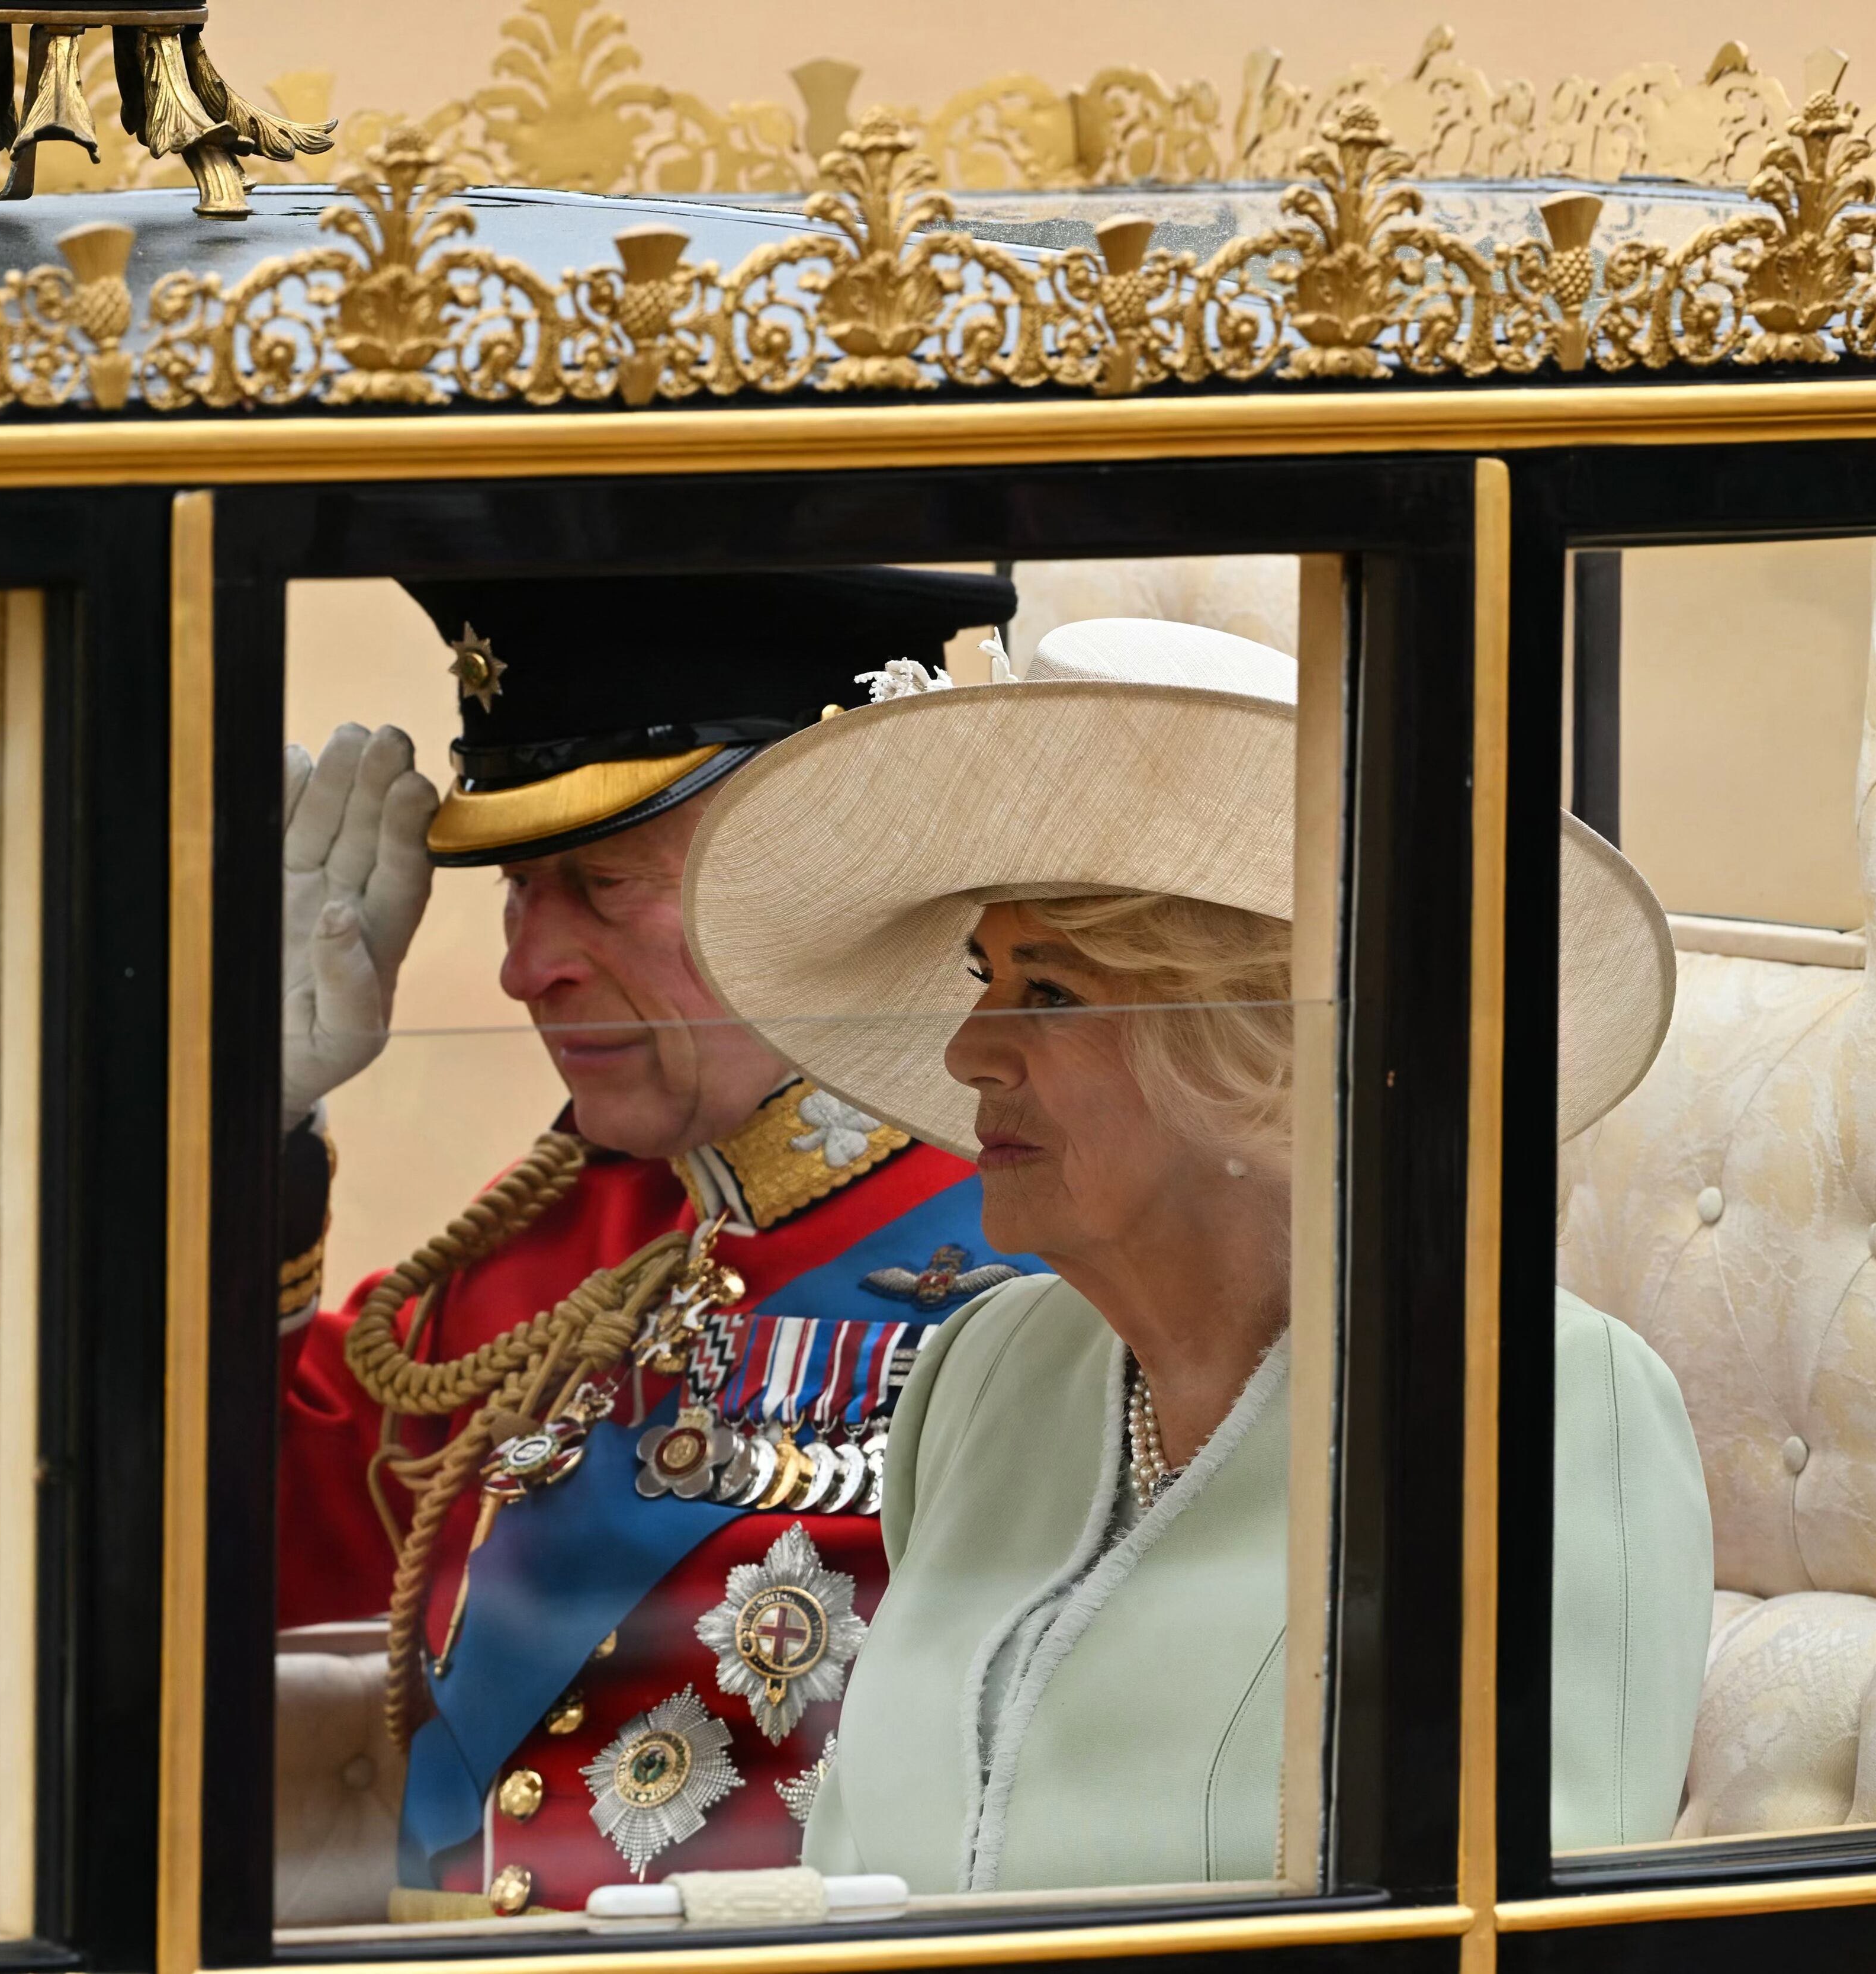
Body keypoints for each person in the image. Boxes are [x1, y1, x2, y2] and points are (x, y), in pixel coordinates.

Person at [679, 616, 1713, 1891]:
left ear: (1255, 1038)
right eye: (980, 974)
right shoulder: (981, 1374)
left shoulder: (1540, 1404)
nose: (966, 1051)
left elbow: (1546, 1926)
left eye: (1048, 993)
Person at [271, 567, 1036, 1918]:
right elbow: (254, 1524)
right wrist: (251, 1128)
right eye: (519, 888)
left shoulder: (1055, 1248)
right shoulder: (577, 1240)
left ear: (829, 874)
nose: (526, 967)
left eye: (603, 881)